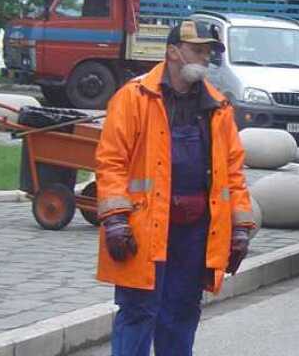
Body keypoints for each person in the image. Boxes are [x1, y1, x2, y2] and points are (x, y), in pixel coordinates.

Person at [95, 19, 257, 356]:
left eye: (208, 52)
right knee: (139, 310)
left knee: (182, 311)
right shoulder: (134, 98)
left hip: (195, 230)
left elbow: (232, 172)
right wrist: (116, 219)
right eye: (196, 50)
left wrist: (240, 227)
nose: (204, 58)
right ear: (172, 52)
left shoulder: (217, 108)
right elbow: (112, 162)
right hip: (145, 225)